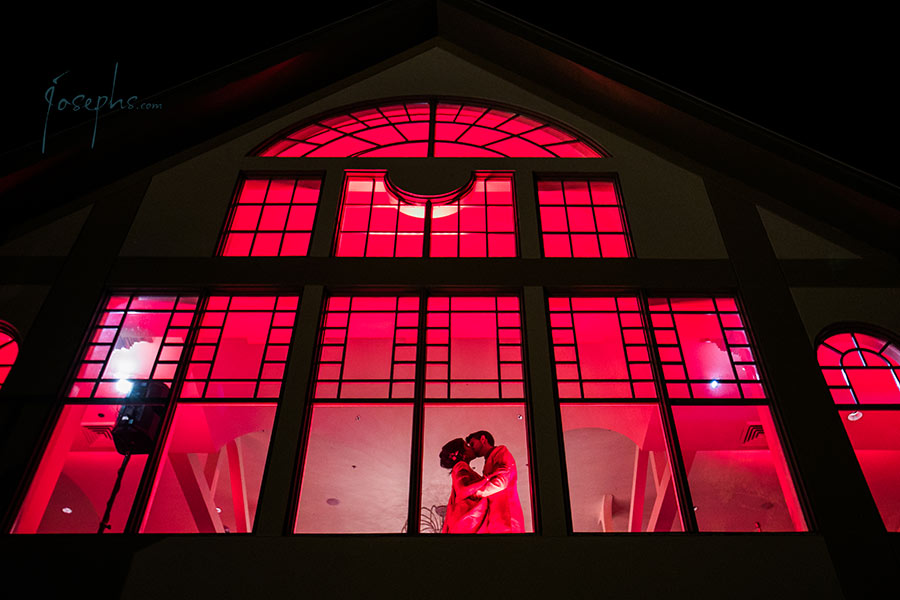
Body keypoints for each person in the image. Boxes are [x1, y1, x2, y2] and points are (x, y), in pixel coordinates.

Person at [466, 430, 525, 533]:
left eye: (472, 444)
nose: (472, 448)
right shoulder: (490, 458)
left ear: (483, 439)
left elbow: (501, 482)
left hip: (507, 519)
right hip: (498, 519)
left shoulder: (501, 452)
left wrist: (476, 493)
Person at [439, 438, 488, 533]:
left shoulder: (462, 467)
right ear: (461, 453)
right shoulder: (460, 466)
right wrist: (487, 478)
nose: (471, 447)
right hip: (467, 520)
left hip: (467, 519)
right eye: (467, 446)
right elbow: (463, 490)